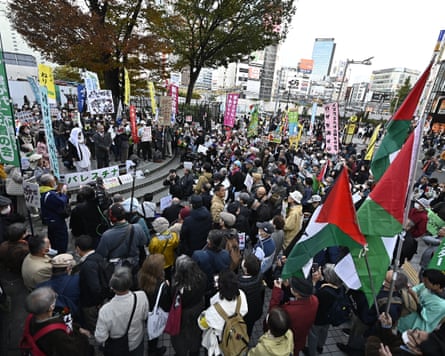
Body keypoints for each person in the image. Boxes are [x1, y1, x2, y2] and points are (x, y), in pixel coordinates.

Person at [23, 286, 92, 356]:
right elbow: (74, 352)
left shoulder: (31, 318)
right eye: (54, 299)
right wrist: (83, 338)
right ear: (51, 307)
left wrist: (78, 328)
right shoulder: (57, 335)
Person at [95, 267, 149, 356]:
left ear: (112, 287)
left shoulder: (106, 310)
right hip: (136, 342)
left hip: (116, 348)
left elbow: (100, 338)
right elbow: (145, 316)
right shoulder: (141, 296)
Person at [198, 269, 248, 356]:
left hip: (220, 343)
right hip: (236, 336)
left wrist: (203, 314)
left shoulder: (214, 310)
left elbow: (202, 325)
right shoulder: (242, 296)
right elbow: (245, 311)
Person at [269, 276, 319, 355]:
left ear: (296, 293)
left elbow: (273, 314)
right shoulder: (315, 300)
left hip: (287, 342)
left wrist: (277, 290)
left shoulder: (290, 311)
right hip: (300, 339)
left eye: (292, 286)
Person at [170, 255, 207, 356]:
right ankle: (194, 351)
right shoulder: (202, 278)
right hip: (198, 309)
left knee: (181, 336)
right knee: (196, 334)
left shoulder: (177, 287)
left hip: (183, 314)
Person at [96, 203, 148, 274]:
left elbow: (101, 254)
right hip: (134, 265)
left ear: (111, 218)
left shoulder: (106, 235)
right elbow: (144, 242)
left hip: (116, 270)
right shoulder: (138, 228)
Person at [138, 254, 171, 356]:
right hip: (154, 313)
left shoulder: (139, 276)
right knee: (153, 332)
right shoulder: (162, 285)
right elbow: (166, 304)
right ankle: (153, 350)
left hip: (142, 309)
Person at [74, 235, 107, 333]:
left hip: (91, 304)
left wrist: (98, 303)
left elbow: (94, 288)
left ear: (78, 249)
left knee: (95, 326)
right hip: (99, 301)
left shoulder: (87, 265)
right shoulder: (99, 256)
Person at [398, 269, 445, 333]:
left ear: (436, 286)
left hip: (416, 331)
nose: (424, 283)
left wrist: (415, 298)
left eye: (426, 282)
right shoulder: (426, 286)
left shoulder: (441, 305)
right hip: (404, 322)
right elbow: (416, 289)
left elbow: (426, 316)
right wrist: (410, 290)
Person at [37, 253, 80, 320]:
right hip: (72, 318)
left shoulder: (40, 287)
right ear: (68, 268)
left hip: (49, 321)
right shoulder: (77, 281)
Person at [192, 229, 231, 299]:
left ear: (209, 242)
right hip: (220, 286)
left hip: (205, 289)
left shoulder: (199, 255)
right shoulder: (226, 255)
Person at [39, 173, 70, 253]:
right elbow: (61, 202)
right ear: (49, 183)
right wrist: (63, 193)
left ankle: (55, 251)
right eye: (53, 181)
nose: (55, 182)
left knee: (53, 237)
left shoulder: (43, 191)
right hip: (56, 220)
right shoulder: (49, 194)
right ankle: (61, 255)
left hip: (49, 219)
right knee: (61, 239)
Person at [238, 254, 265, 337]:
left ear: (246, 269)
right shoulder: (259, 276)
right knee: (249, 328)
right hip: (255, 310)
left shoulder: (238, 283)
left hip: (243, 312)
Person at [148, 217, 179, 282]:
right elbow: (176, 245)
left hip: (158, 263)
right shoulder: (174, 236)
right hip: (169, 262)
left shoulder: (155, 241)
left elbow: (151, 251)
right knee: (169, 277)